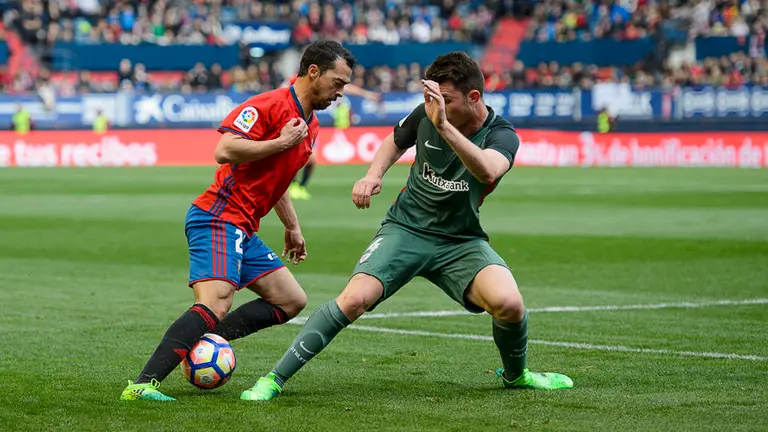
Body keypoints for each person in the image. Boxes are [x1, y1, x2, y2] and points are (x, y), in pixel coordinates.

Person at [241, 51, 573, 402]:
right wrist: (373, 175)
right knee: (354, 300)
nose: (436, 107)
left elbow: (488, 171)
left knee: (510, 304)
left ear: (474, 97)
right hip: (406, 229)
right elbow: (394, 140)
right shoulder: (426, 114)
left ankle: (516, 374)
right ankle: (273, 379)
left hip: (460, 241)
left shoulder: (502, 135)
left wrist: (443, 125)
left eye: (445, 100)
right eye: (433, 99)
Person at [120, 40, 356, 401]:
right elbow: (224, 150)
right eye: (338, 82)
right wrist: (278, 143)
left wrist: (292, 227)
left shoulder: (312, 125)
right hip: (218, 215)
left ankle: (202, 340)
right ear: (313, 72)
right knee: (217, 301)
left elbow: (276, 182)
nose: (341, 92)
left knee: (290, 300)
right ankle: (142, 385)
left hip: (244, 227)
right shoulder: (269, 105)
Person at [282, 72, 381, 200]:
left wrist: (366, 94)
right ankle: (293, 186)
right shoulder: (295, 79)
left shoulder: (321, 79)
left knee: (312, 158)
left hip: (309, 122)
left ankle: (300, 187)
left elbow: (345, 89)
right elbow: (282, 92)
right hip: (295, 121)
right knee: (295, 156)